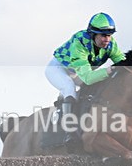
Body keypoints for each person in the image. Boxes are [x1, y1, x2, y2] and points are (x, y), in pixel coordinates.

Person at [45, 12, 126, 142]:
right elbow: (87, 78)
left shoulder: (111, 44)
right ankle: (69, 131)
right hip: (58, 69)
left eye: (110, 35)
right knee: (69, 87)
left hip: (79, 71)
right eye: (103, 35)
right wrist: (109, 70)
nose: (107, 39)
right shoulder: (80, 43)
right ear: (93, 34)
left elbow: (123, 64)